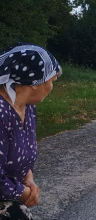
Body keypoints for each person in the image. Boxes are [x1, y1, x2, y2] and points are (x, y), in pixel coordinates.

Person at [0, 42, 62, 219]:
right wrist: (24, 193)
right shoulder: (1, 113)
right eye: (51, 81)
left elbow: (24, 150)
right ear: (35, 82)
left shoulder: (28, 108)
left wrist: (29, 178)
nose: (51, 87)